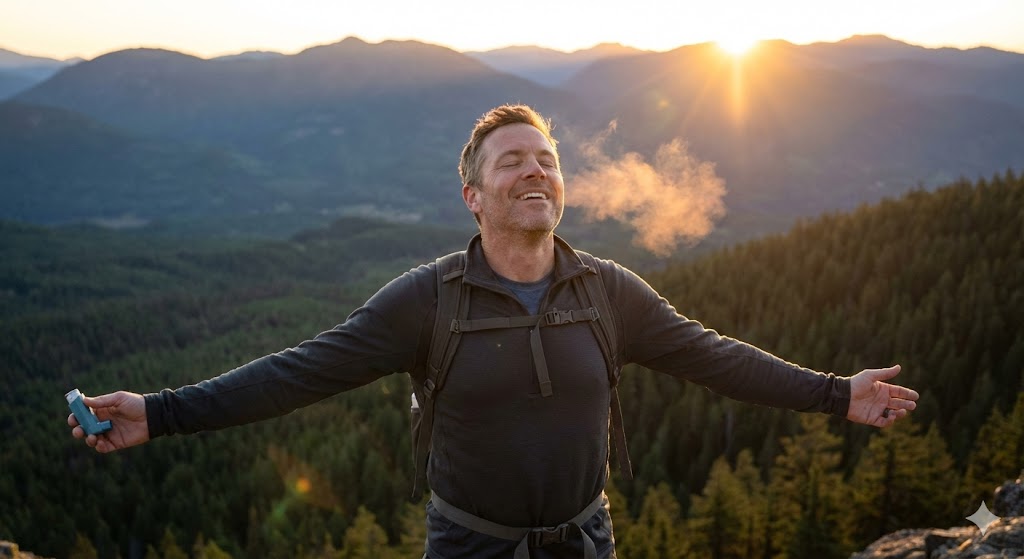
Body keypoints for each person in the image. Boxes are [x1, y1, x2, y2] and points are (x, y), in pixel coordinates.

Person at [69, 104, 920, 559]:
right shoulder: (425, 301)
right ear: (472, 197)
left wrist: (836, 394)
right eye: (511, 160)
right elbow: (300, 371)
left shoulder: (609, 292)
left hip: (587, 542)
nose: (534, 169)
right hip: (469, 548)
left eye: (546, 159)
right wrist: (161, 410)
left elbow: (715, 357)